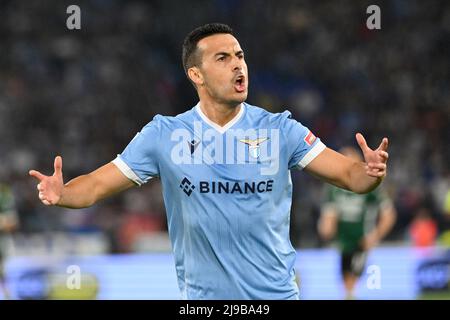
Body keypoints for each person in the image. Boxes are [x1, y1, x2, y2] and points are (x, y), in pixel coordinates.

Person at [29, 23, 390, 300]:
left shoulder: (281, 129)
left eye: (240, 56)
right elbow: (94, 186)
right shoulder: (164, 135)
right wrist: (63, 193)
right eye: (223, 58)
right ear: (196, 75)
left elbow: (349, 176)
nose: (238, 66)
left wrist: (370, 173)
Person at [318, 146, 396, 300]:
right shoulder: (333, 189)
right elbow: (328, 214)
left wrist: (376, 235)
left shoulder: (370, 186)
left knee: (352, 281)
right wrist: (326, 228)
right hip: (342, 242)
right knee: (346, 282)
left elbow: (389, 214)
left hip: (362, 241)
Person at [0, 182, 19, 299]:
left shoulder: (3, 195)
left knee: (3, 270)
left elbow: (12, 222)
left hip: (2, 241)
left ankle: (7, 293)